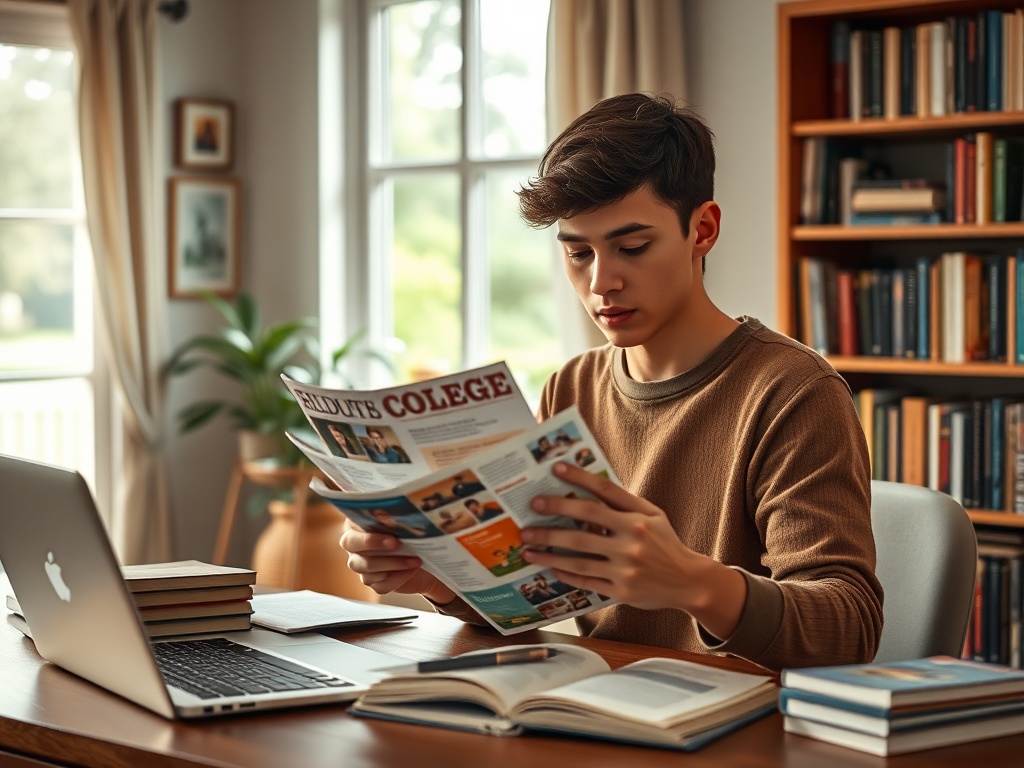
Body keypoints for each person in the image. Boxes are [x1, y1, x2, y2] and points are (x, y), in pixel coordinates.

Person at [340, 92, 883, 673]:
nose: (602, 282)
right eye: (578, 253)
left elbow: (849, 630)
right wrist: (438, 579)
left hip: (736, 713)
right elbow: (532, 600)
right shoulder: (571, 387)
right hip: (598, 699)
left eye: (632, 248)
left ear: (702, 230)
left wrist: (693, 582)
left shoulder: (792, 391)